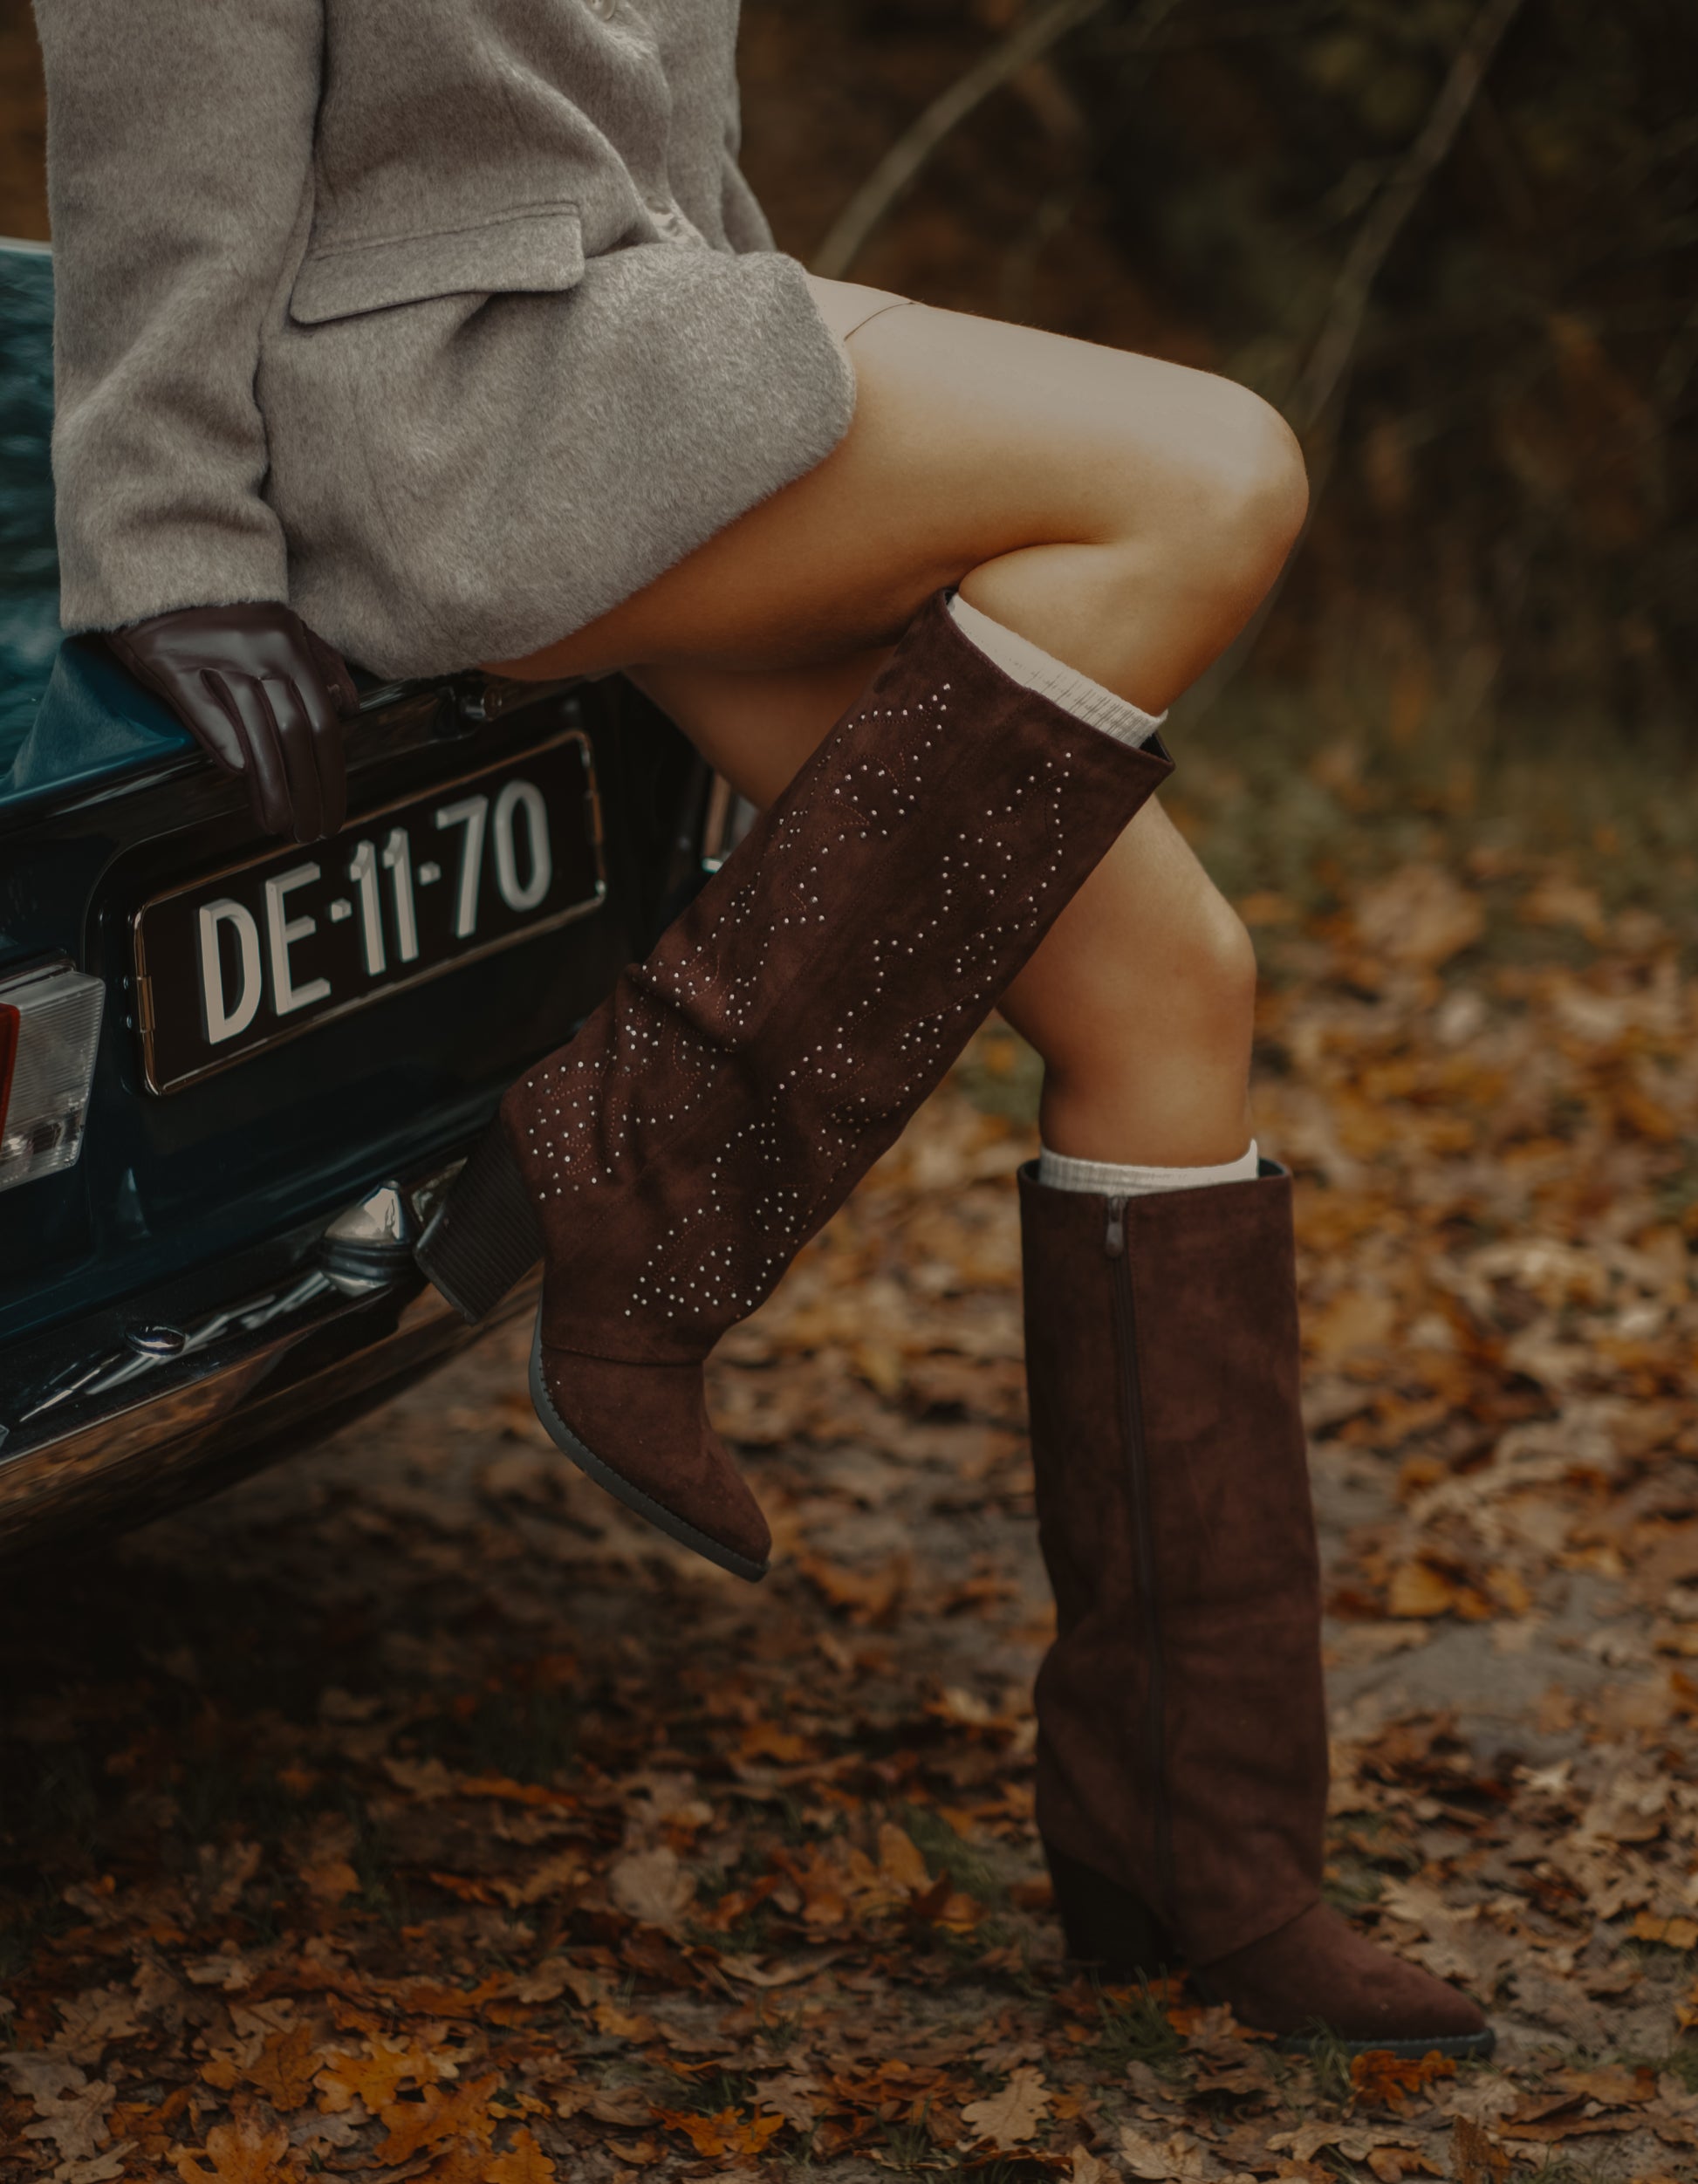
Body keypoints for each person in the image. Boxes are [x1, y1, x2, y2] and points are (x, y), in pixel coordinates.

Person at [35, 0, 1489, 2057]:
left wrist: (786, 400)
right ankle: (645, 1176)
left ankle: (1196, 1846)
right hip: (436, 417)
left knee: (1171, 985)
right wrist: (169, 535)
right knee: (1207, 469)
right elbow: (155, 106)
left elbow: (665, 127)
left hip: (650, 381)